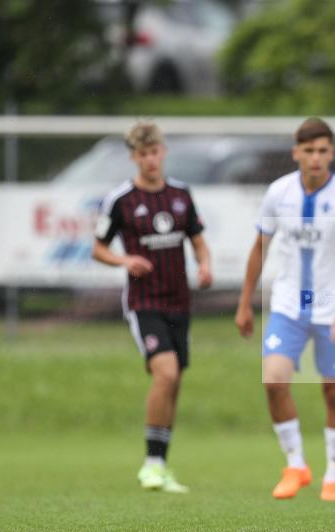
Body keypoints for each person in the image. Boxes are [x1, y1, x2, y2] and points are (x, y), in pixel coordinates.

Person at [235, 118, 335, 502]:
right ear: (296, 153)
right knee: (274, 380)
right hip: (288, 305)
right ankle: (295, 464)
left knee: (334, 391)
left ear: (332, 153)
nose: (316, 158)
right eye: (308, 151)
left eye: (323, 151)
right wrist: (245, 304)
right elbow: (259, 248)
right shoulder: (279, 193)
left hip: (334, 307)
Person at [92, 120, 212, 493]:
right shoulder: (121, 200)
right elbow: (98, 248)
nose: (150, 160)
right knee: (166, 374)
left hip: (179, 300)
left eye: (154, 152)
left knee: (173, 383)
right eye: (142, 154)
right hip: (144, 302)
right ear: (134, 157)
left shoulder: (180, 194)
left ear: (163, 152)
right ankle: (150, 465)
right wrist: (124, 262)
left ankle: (159, 464)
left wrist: (205, 264)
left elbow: (197, 239)